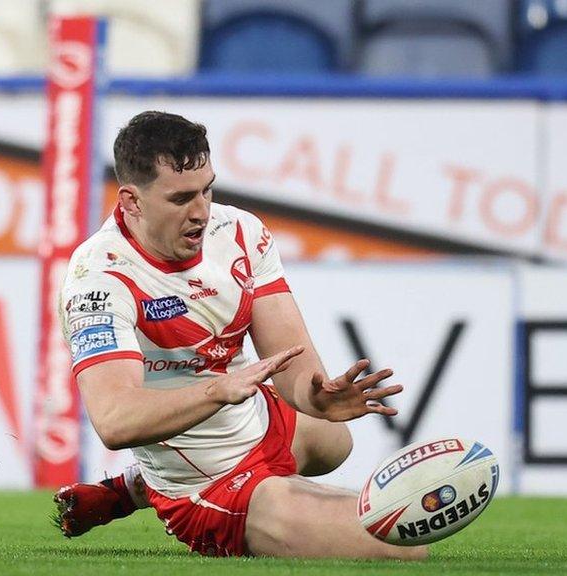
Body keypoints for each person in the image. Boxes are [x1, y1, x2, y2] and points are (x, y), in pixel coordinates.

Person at [53, 111, 426, 560]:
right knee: (404, 550)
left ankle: (131, 487)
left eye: (208, 189)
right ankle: (161, 489)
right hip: (210, 488)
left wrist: (318, 399)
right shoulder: (98, 278)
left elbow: (292, 363)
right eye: (181, 198)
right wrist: (217, 390)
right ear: (132, 202)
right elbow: (115, 420)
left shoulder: (241, 232)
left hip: (259, 419)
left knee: (334, 440)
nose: (201, 212)